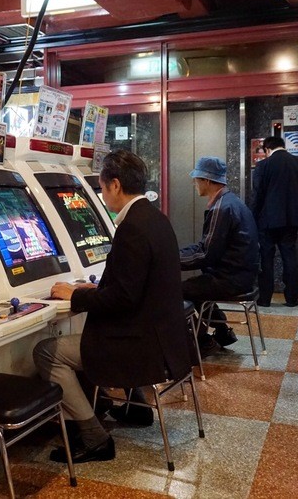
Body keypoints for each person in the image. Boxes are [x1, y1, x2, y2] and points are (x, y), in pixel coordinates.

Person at [33, 150, 190, 464]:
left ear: (115, 186)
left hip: (140, 347)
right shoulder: (154, 218)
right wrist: (96, 288)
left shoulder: (132, 228)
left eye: (102, 189)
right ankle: (135, 407)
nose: (102, 196)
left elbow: (123, 299)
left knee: (46, 351)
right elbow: (135, 286)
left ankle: (93, 437)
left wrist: (74, 296)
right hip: (165, 340)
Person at [180, 156, 259, 354]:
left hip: (232, 279)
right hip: (242, 275)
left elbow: (207, 255)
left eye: (196, 179)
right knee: (199, 285)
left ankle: (202, 341)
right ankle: (222, 331)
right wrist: (177, 253)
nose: (194, 183)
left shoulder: (221, 208)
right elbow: (205, 245)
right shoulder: (231, 201)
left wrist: (170, 261)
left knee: (179, 289)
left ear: (206, 180)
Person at [252, 136, 298, 307]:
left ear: (267, 149)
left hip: (268, 220)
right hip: (291, 219)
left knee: (266, 258)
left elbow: (258, 194)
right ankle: (292, 299)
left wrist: (253, 216)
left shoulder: (263, 165)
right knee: (290, 256)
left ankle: (265, 299)